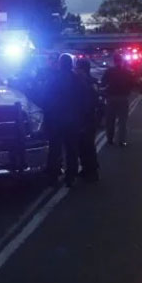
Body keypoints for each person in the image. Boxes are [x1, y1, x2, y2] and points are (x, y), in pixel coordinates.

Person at [43, 54, 88, 186]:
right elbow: (83, 100)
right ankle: (70, 176)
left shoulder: (53, 79)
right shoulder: (77, 79)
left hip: (56, 119)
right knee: (72, 149)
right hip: (72, 119)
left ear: (60, 64)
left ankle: (53, 175)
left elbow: (45, 98)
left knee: (55, 149)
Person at [74, 58, 100, 182]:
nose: (75, 70)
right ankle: (88, 169)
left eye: (77, 68)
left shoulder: (83, 83)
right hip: (89, 118)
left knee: (87, 146)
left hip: (86, 118)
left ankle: (91, 170)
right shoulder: (91, 82)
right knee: (85, 146)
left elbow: (90, 102)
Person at [101, 54, 135, 147]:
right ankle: (122, 141)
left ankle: (110, 139)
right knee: (122, 121)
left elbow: (103, 83)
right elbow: (132, 83)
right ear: (121, 61)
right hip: (123, 98)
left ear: (114, 61)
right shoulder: (127, 72)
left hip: (111, 98)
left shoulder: (109, 71)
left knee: (110, 120)